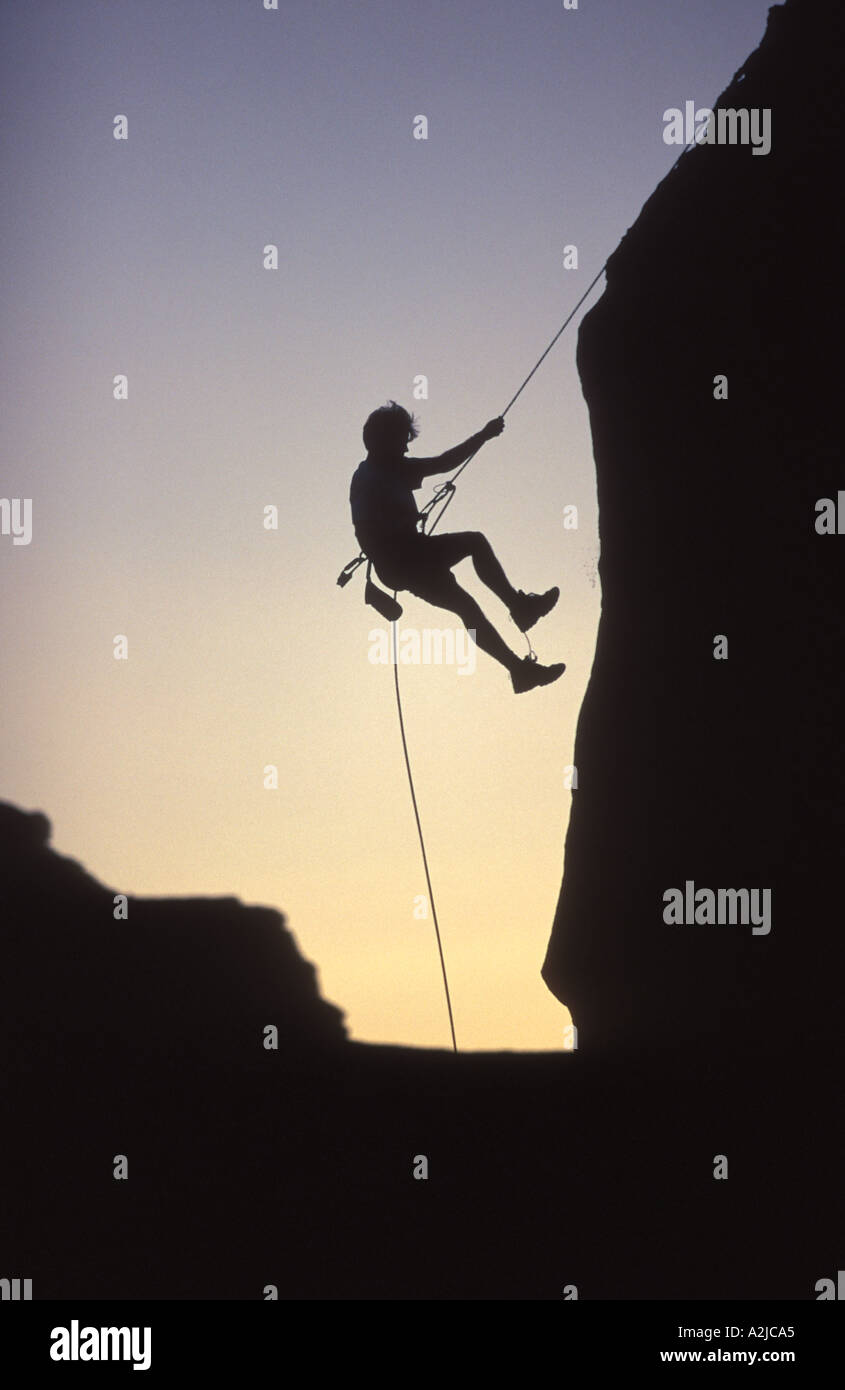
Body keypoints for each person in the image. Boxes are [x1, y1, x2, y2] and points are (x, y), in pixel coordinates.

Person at [349, 401, 565, 692]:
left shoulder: (376, 472)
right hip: (406, 558)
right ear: (382, 440)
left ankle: (519, 670)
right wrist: (484, 435)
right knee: (474, 542)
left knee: (467, 608)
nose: (406, 449)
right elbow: (443, 462)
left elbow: (438, 465)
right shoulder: (381, 472)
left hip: (402, 563)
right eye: (402, 442)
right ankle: (520, 608)